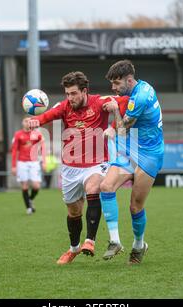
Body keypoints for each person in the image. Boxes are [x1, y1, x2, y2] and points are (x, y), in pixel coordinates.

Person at [28, 71, 124, 265]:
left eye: (73, 93)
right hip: (71, 168)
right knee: (74, 212)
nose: (69, 98)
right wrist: (36, 121)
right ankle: (73, 249)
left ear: (84, 91)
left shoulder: (99, 102)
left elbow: (126, 100)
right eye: (67, 94)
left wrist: (115, 110)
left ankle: (90, 241)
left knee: (94, 188)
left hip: (97, 163)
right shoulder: (65, 107)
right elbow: (48, 115)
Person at [99, 59, 164, 265]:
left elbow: (122, 127)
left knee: (135, 207)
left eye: (117, 83)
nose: (114, 88)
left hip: (150, 154)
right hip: (129, 148)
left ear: (129, 80)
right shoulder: (138, 89)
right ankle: (115, 241)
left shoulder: (141, 97)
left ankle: (138, 244)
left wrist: (114, 110)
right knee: (106, 186)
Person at [11, 117, 46, 214]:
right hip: (22, 163)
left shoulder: (37, 134)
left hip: (34, 162)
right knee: (25, 186)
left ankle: (30, 199)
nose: (27, 123)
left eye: (29, 121)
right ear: (22, 123)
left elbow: (43, 147)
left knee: (36, 186)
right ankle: (28, 208)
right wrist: (13, 166)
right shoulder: (18, 135)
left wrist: (44, 161)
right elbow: (14, 150)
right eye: (25, 121)